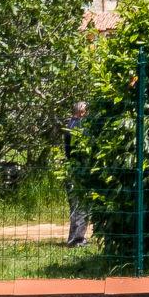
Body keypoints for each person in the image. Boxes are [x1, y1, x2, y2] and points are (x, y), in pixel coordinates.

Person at [63, 101, 89, 246]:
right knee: (81, 205)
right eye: (87, 112)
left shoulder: (69, 125)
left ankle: (73, 238)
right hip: (79, 169)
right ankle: (77, 240)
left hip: (71, 167)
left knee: (75, 205)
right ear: (82, 112)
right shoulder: (79, 127)